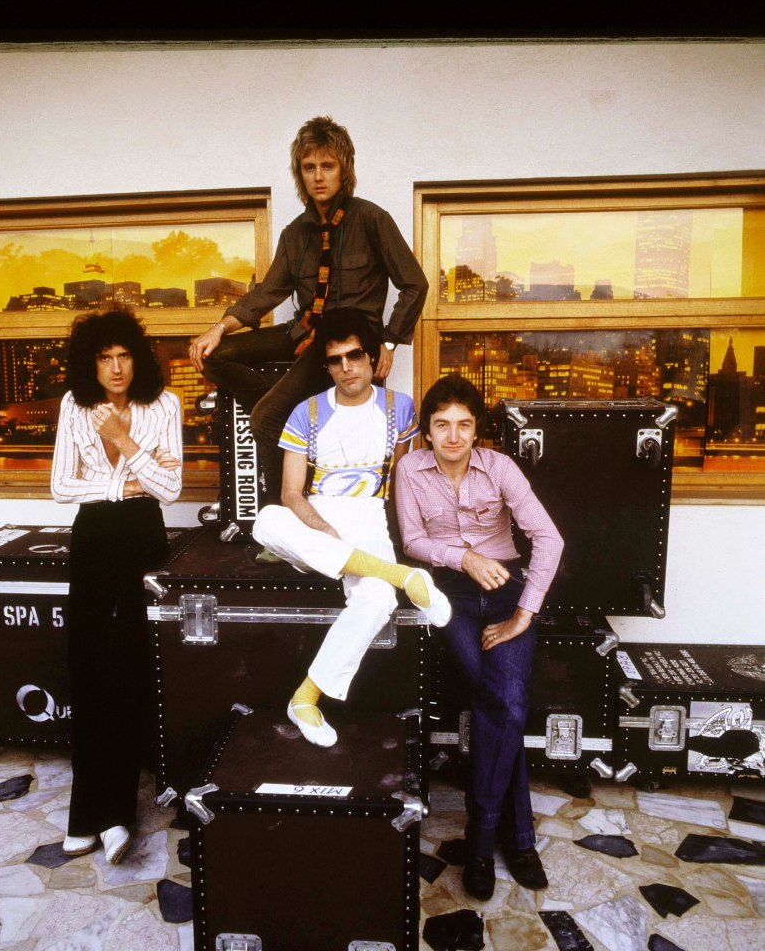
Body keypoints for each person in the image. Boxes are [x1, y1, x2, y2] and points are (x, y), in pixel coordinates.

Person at [189, 115, 428, 506]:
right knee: (217, 355)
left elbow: (415, 283)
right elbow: (269, 291)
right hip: (302, 331)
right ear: (300, 173)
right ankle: (290, 406)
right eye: (309, 167)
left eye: (328, 166)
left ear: (344, 169)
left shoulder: (372, 220)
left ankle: (276, 517)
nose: (319, 176)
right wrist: (219, 328)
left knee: (265, 419)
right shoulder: (294, 233)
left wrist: (388, 342)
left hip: (339, 346)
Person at [395, 375, 563, 900]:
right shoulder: (409, 469)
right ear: (426, 431)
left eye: (463, 425)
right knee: (503, 704)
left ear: (477, 429)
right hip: (451, 593)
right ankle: (519, 839)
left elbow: (549, 538)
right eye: (441, 425)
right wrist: (464, 557)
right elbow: (413, 540)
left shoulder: (501, 467)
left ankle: (484, 835)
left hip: (506, 589)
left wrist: (524, 615)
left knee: (505, 703)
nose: (452, 436)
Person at [251, 308, 451, 747]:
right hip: (315, 522)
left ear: (373, 356)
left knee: (378, 598)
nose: (346, 368)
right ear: (326, 365)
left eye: (355, 355)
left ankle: (305, 697)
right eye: (335, 359)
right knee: (265, 522)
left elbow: (405, 478)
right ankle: (405, 579)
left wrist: (417, 538)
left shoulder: (400, 409)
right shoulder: (306, 412)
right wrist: (323, 531)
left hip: (369, 515)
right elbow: (290, 494)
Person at [51, 307, 183, 864]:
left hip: (142, 538)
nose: (115, 367)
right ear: (91, 363)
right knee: (88, 667)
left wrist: (124, 444)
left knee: (129, 668)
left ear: (138, 357)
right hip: (94, 538)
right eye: (104, 357)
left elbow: (171, 488)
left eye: (123, 354)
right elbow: (60, 485)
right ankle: (88, 812)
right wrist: (127, 484)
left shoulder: (165, 404)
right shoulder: (73, 406)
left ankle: (120, 815)